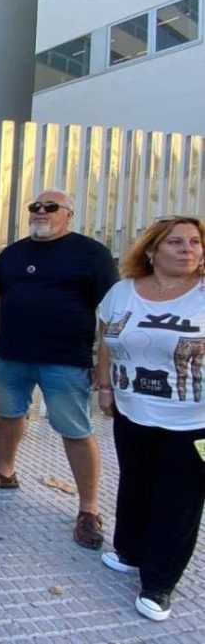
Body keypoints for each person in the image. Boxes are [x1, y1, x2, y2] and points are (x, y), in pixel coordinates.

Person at [0, 189, 118, 551]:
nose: (41, 212)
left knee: (76, 429)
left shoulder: (91, 254)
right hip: (13, 353)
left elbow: (111, 314)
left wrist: (103, 372)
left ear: (68, 213)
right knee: (9, 414)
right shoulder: (14, 253)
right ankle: (5, 471)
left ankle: (88, 508)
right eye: (35, 206)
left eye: (51, 207)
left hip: (65, 359)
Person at [96, 216, 204, 622]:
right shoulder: (123, 292)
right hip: (133, 409)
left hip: (193, 420)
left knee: (178, 501)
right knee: (136, 482)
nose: (188, 249)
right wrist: (105, 387)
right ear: (152, 250)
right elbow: (106, 337)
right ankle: (130, 551)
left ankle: (159, 583)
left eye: (195, 242)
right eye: (176, 242)